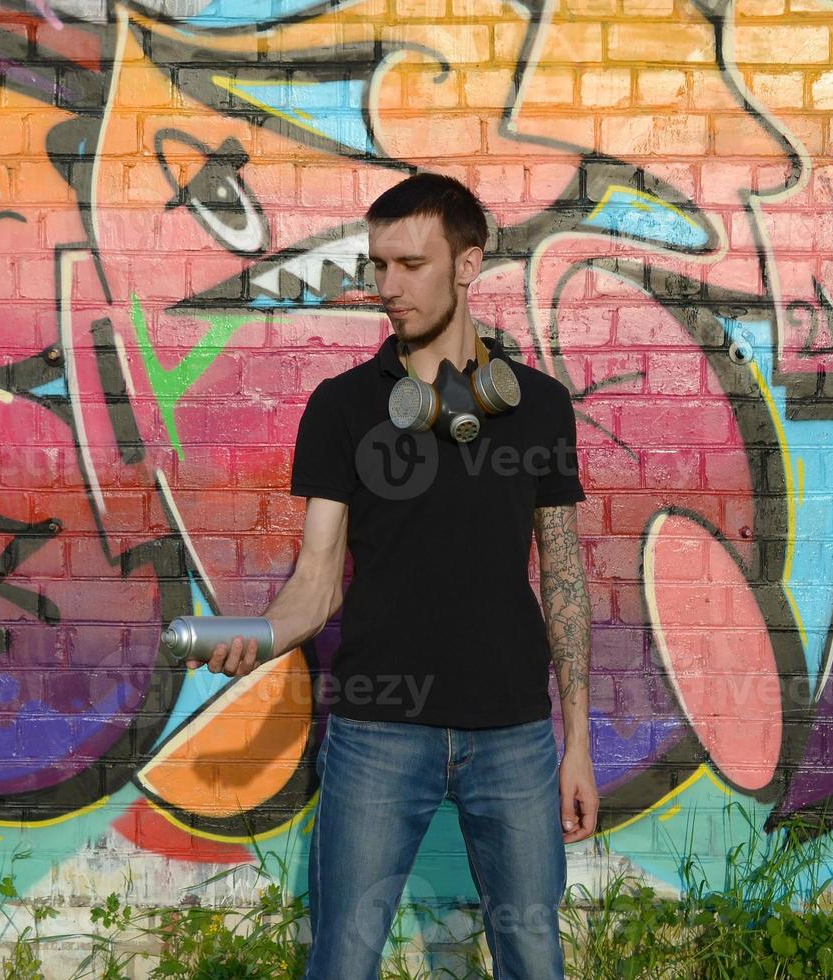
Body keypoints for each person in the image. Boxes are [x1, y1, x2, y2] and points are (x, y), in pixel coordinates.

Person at [185, 172, 598, 978]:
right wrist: (263, 636)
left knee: (533, 955)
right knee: (341, 958)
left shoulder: (540, 407)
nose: (388, 287)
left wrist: (575, 744)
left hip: (513, 734)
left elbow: (566, 580)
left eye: (411, 264)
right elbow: (315, 585)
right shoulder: (342, 408)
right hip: (377, 735)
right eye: (379, 266)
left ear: (469, 264)